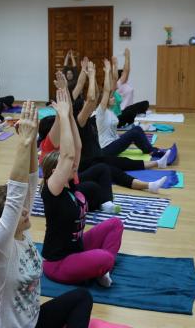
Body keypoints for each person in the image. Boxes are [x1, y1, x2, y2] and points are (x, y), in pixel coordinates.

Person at [0, 101, 93, 328]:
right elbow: (15, 196)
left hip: (34, 321)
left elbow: (29, 182)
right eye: (17, 212)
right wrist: (23, 143)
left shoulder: (23, 229)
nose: (25, 210)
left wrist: (32, 141)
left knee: (82, 297)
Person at [40, 92, 124, 287]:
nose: (73, 164)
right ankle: (102, 267)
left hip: (77, 248)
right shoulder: (51, 190)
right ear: (55, 172)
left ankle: (103, 271)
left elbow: (76, 148)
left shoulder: (71, 185)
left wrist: (69, 115)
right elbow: (68, 155)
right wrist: (61, 116)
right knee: (105, 258)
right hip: (58, 263)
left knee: (115, 224)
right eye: (66, 165)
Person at [54, 68, 169, 194]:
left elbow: (95, 96)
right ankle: (149, 185)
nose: (88, 104)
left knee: (122, 162)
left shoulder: (91, 118)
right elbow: (91, 99)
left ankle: (157, 163)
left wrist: (92, 76)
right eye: (84, 104)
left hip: (97, 158)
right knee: (113, 171)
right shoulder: (79, 122)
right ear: (80, 110)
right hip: (86, 165)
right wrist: (92, 76)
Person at [96, 58, 167, 158]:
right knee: (134, 132)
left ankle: (150, 150)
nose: (113, 98)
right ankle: (152, 152)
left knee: (137, 129)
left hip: (114, 142)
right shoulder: (101, 112)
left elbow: (114, 82)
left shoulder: (110, 110)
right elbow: (107, 90)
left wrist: (114, 66)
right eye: (110, 97)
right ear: (104, 100)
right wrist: (107, 72)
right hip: (107, 149)